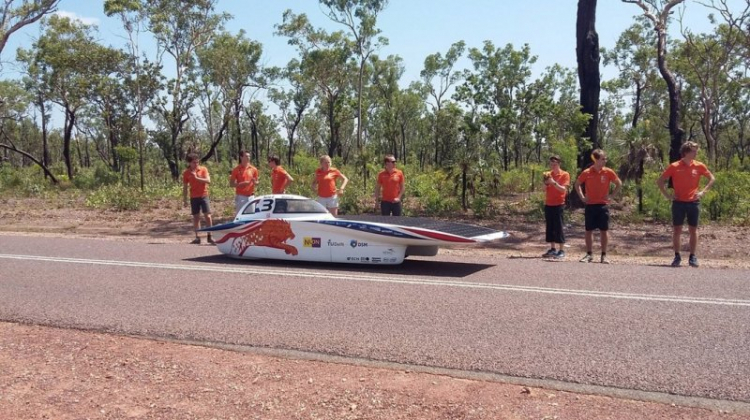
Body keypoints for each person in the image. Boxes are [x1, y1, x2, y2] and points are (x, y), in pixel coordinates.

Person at [656, 141, 715, 268]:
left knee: (693, 230)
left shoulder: (699, 166)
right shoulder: (675, 166)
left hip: (693, 202)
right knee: (677, 229)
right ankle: (677, 256)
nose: (696, 153)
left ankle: (692, 256)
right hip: (678, 203)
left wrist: (702, 192)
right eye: (693, 151)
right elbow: (660, 181)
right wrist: (667, 195)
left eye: (696, 150)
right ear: (686, 152)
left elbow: (712, 178)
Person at [574, 149, 622, 264]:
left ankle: (604, 255)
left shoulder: (608, 172)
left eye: (605, 159)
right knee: (588, 230)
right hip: (590, 205)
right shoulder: (587, 172)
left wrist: (611, 196)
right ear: (596, 160)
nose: (605, 161)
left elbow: (619, 183)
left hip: (603, 205)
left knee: (604, 231)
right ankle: (589, 254)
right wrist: (582, 197)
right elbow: (577, 184)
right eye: (602, 159)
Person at [182, 153, 214, 245]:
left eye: (197, 162)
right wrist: (185, 199)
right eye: (194, 162)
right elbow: (185, 187)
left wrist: (196, 177)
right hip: (193, 197)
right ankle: (197, 237)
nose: (196, 164)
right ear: (189, 163)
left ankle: (210, 236)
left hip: (204, 195)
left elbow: (208, 181)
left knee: (208, 216)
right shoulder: (186, 173)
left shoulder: (203, 169)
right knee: (196, 217)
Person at [542, 155, 570, 259]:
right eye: (551, 163)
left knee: (559, 227)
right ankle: (552, 249)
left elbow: (563, 189)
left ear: (559, 163)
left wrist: (553, 182)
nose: (553, 165)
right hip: (549, 204)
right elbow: (543, 189)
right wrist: (546, 182)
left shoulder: (565, 174)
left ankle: (561, 250)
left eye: (555, 163)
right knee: (550, 227)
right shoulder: (548, 174)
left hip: (559, 204)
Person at [229, 150, 259, 214]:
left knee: (251, 217)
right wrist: (241, 184)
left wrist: (255, 182)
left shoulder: (254, 169)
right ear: (241, 157)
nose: (248, 158)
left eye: (249, 156)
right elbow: (231, 184)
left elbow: (257, 182)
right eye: (246, 156)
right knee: (240, 216)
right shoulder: (236, 169)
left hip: (251, 197)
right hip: (241, 197)